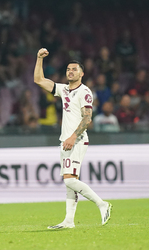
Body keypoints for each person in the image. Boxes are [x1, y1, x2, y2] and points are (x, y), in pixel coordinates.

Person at [34, 48, 112, 229]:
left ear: (82, 74)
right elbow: (38, 80)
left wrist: (73, 137)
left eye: (74, 69)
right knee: (70, 182)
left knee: (69, 180)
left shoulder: (85, 92)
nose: (70, 71)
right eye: (68, 69)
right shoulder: (63, 89)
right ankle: (69, 221)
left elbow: (87, 118)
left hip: (76, 140)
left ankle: (102, 204)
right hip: (66, 140)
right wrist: (39, 59)